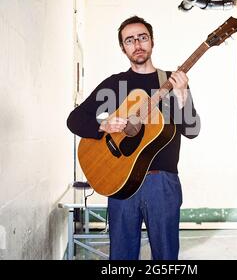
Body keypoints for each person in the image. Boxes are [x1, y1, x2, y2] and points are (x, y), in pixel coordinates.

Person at [67, 16, 200, 260]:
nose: (137, 44)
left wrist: (183, 98)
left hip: (162, 184)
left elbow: (191, 130)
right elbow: (74, 120)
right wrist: (102, 125)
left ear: (152, 41)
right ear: (122, 47)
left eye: (142, 37)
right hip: (119, 182)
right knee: (121, 257)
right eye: (130, 40)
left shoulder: (171, 82)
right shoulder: (114, 85)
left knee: (166, 256)